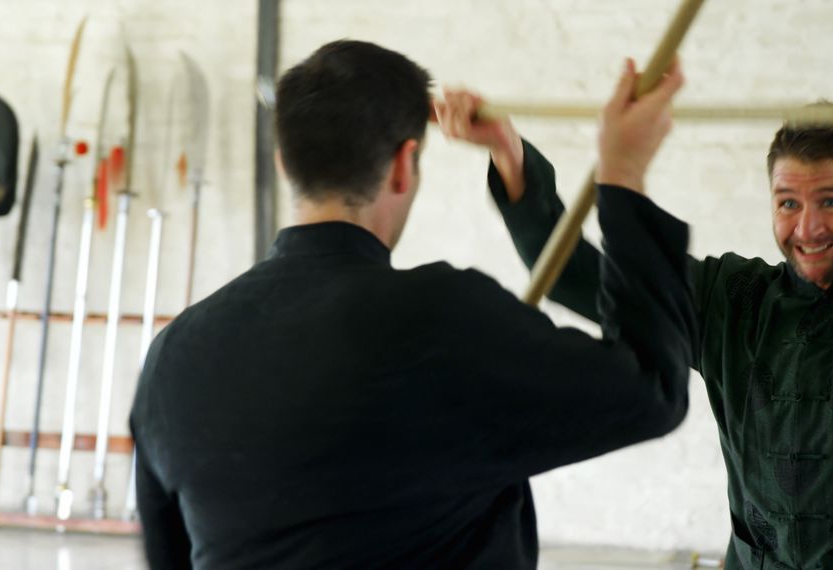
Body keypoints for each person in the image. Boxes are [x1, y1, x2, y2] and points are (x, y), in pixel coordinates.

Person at [130, 42, 698, 569]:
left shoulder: (172, 356)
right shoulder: (440, 320)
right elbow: (650, 389)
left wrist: (512, 157)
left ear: (285, 162)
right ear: (404, 164)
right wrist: (622, 172)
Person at [438, 84, 833, 566]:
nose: (807, 229)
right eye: (787, 202)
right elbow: (583, 277)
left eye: (831, 201)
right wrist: (508, 153)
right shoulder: (731, 300)